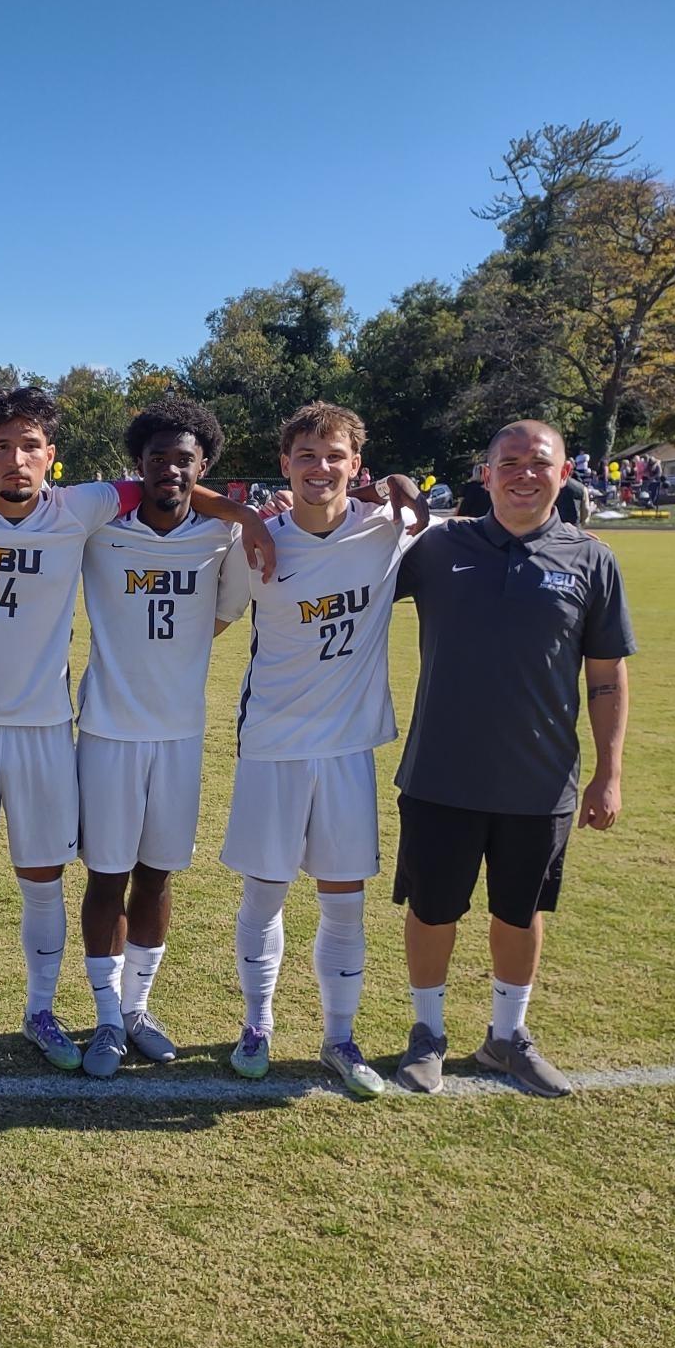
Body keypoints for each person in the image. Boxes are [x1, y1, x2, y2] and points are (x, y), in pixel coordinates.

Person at [0, 386, 276, 1074]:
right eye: (1, 447)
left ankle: (42, 1011)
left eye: (30, 447)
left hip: (47, 727)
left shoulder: (81, 507)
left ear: (51, 458)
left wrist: (244, 515)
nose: (16, 460)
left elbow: (166, 482)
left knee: (44, 883)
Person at [391, 419, 634, 1098]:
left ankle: (506, 1037)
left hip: (540, 781)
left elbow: (607, 676)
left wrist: (609, 774)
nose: (525, 473)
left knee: (521, 914)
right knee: (433, 910)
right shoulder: (439, 550)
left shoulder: (591, 559)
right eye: (510, 462)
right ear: (487, 475)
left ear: (564, 475)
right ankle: (427, 1034)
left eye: (540, 462)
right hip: (441, 773)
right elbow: (355, 561)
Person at [216, 402, 428, 1097]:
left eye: (334, 456)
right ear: (285, 464)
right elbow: (209, 621)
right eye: (306, 455)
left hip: (345, 751)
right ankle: (257, 1025)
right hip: (273, 746)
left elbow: (452, 525)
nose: (320, 468)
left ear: (355, 466)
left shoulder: (386, 532)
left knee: (345, 902)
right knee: (264, 896)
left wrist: (402, 483)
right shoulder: (255, 545)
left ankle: (339, 1038)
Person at [71, 398, 250, 1077]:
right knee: (106, 876)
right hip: (109, 732)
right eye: (157, 457)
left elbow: (223, 615)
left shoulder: (222, 537)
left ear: (203, 466)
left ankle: (138, 1008)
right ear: (137, 464)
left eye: (184, 458)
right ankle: (107, 1020)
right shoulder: (101, 528)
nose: (170, 468)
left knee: (157, 875)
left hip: (178, 736)